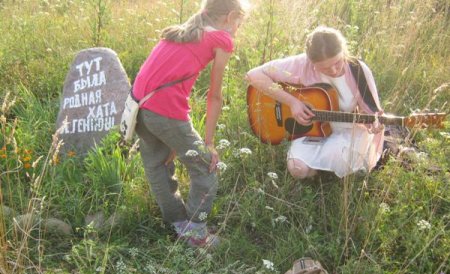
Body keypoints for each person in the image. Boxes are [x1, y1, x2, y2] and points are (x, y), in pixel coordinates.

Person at [133, 0, 247, 247]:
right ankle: (196, 233)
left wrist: (172, 136)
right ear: (230, 16)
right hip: (164, 111)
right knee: (207, 167)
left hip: (138, 108)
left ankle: (178, 223)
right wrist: (209, 143)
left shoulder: (179, 31)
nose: (238, 28)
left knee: (157, 165)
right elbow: (214, 95)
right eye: (239, 22)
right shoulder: (221, 39)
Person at [246, 26, 384, 179]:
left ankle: (328, 173)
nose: (333, 70)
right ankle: (323, 171)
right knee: (297, 169)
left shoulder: (358, 70)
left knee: (341, 155)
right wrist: (292, 102)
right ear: (311, 62)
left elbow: (373, 112)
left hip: (346, 130)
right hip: (311, 131)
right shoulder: (302, 65)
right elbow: (254, 74)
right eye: (324, 68)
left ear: (344, 51)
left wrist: (375, 123)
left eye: (337, 62)